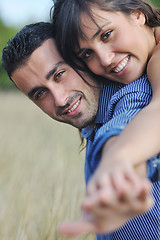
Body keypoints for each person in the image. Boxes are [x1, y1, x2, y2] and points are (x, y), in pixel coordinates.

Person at [2, 22, 159, 239]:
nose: (60, 99)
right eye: (40, 94)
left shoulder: (137, 94)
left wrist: (117, 168)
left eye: (59, 75)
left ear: (81, 58)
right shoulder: (93, 124)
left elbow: (125, 129)